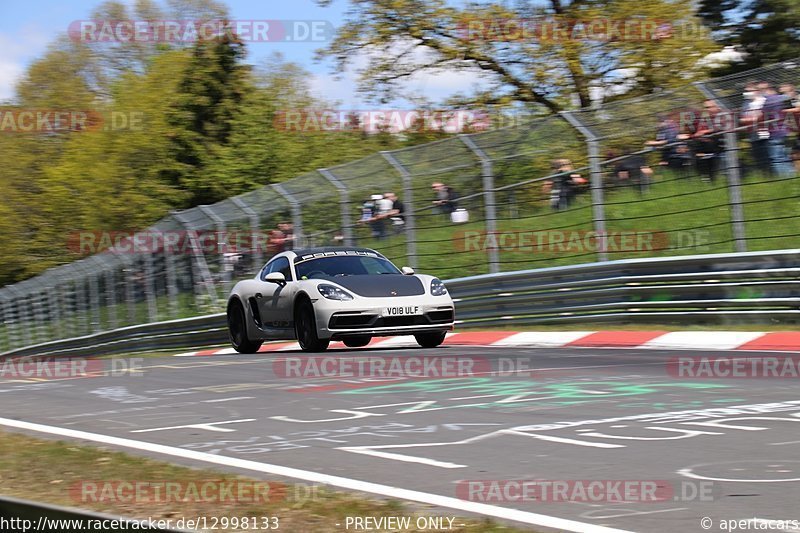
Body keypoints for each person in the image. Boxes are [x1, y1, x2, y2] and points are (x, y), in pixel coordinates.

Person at [761, 84, 795, 177]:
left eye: (763, 90)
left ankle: (785, 178)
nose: (762, 92)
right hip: (785, 131)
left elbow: (762, 118)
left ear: (769, 89)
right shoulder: (783, 98)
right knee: (786, 156)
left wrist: (763, 136)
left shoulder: (767, 101)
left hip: (774, 133)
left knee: (777, 158)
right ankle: (792, 177)